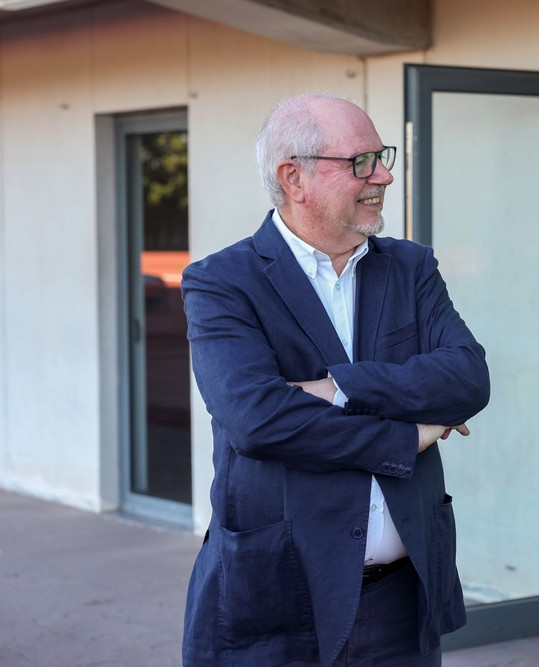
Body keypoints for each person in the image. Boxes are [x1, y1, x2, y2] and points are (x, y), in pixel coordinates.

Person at [180, 93, 490, 666]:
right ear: (293, 178)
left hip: (402, 601)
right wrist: (408, 435)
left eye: (382, 157)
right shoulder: (222, 282)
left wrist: (338, 387)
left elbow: (468, 380)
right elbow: (257, 422)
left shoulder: (411, 267)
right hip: (277, 600)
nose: (384, 175)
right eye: (360, 162)